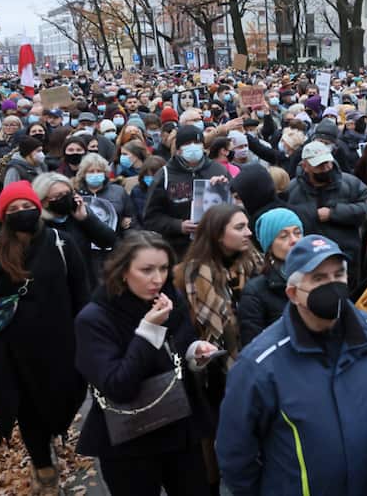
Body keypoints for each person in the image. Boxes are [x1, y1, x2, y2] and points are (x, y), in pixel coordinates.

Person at [216, 235, 367, 495]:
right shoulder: (260, 364)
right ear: (293, 293)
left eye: (338, 275)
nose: (332, 286)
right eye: (319, 279)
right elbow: (236, 453)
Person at [0, 181, 89, 494]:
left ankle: (56, 430)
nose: (22, 213)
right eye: (13, 209)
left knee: (65, 399)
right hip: (11, 352)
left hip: (62, 345)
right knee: (29, 411)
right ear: (4, 215)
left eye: (26, 206)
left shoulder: (62, 244)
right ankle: (42, 464)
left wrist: (89, 341)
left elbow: (82, 296)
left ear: (38, 207)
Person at [73, 232, 218, 496]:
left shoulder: (169, 298)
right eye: (146, 270)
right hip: (130, 439)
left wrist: (196, 353)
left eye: (163, 268)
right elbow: (118, 385)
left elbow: (182, 345)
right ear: (123, 271)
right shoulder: (94, 318)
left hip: (179, 428)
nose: (158, 278)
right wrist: (149, 330)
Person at [175, 202, 261, 492]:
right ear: (216, 234)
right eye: (240, 227)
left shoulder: (254, 264)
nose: (248, 233)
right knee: (211, 439)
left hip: (253, 362)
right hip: (210, 372)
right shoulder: (190, 274)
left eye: (247, 225)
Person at [144, 126, 228, 258]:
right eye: (187, 144)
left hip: (215, 247)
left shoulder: (219, 170)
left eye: (197, 143)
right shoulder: (164, 175)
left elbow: (235, 207)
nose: (193, 147)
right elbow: (151, 217)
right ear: (178, 150)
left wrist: (224, 188)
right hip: (180, 250)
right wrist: (178, 226)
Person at [286, 139, 367, 269]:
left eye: (327, 163)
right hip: (309, 259)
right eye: (319, 165)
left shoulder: (350, 183)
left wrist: (334, 213)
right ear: (305, 166)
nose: (325, 168)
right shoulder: (292, 190)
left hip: (346, 255)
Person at [33, 171, 117, 289]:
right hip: (56, 288)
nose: (65, 198)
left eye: (68, 193)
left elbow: (109, 241)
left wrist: (86, 219)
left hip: (86, 284)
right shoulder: (38, 225)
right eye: (58, 196)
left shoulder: (79, 213)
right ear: (44, 202)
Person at [237, 208, 303, 347]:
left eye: (298, 233)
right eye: (283, 236)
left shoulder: (317, 276)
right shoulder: (256, 291)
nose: (294, 240)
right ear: (269, 246)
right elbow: (253, 347)